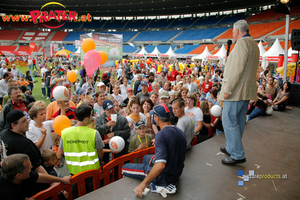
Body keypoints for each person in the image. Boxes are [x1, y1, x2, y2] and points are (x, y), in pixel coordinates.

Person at [122, 104, 186, 198]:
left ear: (157, 118)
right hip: (176, 173)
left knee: (124, 167)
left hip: (162, 177)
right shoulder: (179, 131)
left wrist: (143, 184)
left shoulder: (161, 134)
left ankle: (147, 175)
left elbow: (160, 165)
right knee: (145, 157)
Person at [219, 19, 259, 165]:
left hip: (236, 92)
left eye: (232, 32)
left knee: (229, 121)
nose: (232, 34)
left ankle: (237, 154)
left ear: (237, 31)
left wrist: (228, 90)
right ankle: (232, 148)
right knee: (239, 121)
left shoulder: (242, 44)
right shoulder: (253, 44)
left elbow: (237, 68)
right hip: (245, 91)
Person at [57, 105, 105, 175]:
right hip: (91, 171)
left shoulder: (65, 132)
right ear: (86, 119)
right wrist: (101, 161)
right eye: (91, 115)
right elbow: (100, 151)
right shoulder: (94, 133)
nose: (92, 117)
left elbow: (60, 152)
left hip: (73, 171)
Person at [0, 154, 71, 200]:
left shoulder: (22, 174)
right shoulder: (6, 193)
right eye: (28, 167)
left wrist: (62, 180)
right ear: (18, 176)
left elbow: (40, 177)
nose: (32, 167)